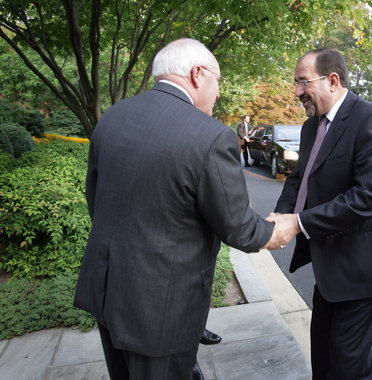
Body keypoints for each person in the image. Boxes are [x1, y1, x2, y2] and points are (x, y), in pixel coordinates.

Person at [74, 38, 288, 379]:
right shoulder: (211, 136)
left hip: (109, 291)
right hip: (162, 309)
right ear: (197, 74)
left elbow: (96, 200)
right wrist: (279, 230)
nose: (218, 93)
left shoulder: (112, 118)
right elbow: (238, 228)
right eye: (218, 80)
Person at [268, 48, 372, 379]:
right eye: (295, 83)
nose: (297, 91)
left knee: (349, 363)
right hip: (331, 267)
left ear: (332, 80)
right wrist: (280, 217)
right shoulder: (309, 127)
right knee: (323, 352)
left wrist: (298, 224)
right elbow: (299, 179)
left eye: (303, 82)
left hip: (365, 267)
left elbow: (369, 196)